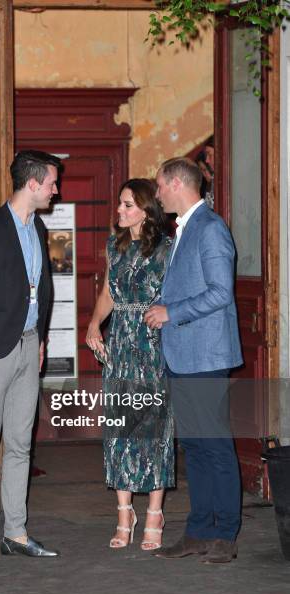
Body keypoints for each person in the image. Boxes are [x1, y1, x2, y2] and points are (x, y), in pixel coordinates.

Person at [0, 150, 62, 562]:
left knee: (21, 445)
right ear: (33, 183)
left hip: (27, 345)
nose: (57, 190)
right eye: (53, 182)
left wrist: (40, 339)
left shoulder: (38, 228)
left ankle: (15, 534)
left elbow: (41, 289)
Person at [145, 157, 243, 564]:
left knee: (215, 447)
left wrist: (171, 311)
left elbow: (222, 292)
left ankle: (225, 535)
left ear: (177, 184)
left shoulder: (211, 229)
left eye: (160, 186)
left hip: (205, 356)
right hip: (186, 356)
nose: (157, 193)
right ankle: (200, 530)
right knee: (197, 448)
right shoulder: (187, 228)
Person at [86, 178, 174, 551]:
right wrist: (92, 325)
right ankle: (124, 513)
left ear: (146, 210)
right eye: (120, 204)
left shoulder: (168, 249)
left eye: (127, 205)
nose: (119, 211)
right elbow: (107, 292)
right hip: (120, 342)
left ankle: (155, 513)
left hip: (152, 344)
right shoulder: (115, 244)